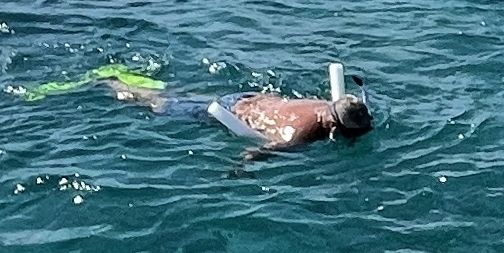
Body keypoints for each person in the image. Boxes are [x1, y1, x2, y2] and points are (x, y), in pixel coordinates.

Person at [102, 67, 374, 149]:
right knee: (159, 107)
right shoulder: (302, 133)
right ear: (335, 126)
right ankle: (113, 84)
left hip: (248, 97)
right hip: (231, 113)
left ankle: (156, 87)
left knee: (182, 99)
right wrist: (239, 171)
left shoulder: (327, 106)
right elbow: (266, 148)